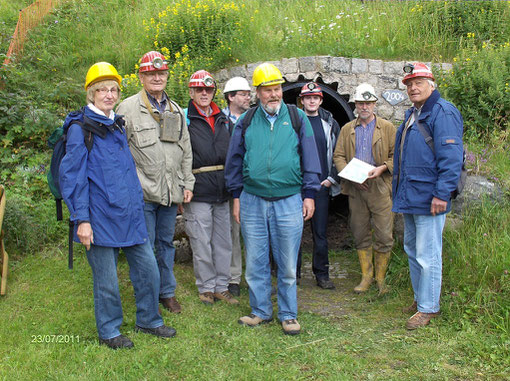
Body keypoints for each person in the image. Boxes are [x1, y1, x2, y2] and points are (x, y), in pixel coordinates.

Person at [59, 62, 176, 349]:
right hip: (97, 217)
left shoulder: (117, 124)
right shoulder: (80, 129)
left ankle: (148, 319)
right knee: (107, 280)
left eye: (113, 89)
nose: (109, 95)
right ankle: (109, 330)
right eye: (102, 90)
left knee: (148, 269)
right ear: (91, 94)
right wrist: (81, 220)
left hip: (130, 214)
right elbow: (72, 178)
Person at [225, 63, 321, 335]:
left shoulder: (297, 117)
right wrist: (236, 196)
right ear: (257, 93)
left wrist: (309, 194)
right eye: (267, 90)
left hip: (289, 199)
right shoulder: (245, 122)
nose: (273, 95)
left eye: (277, 88)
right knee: (255, 260)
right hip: (252, 200)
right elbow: (234, 161)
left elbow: (311, 159)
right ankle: (260, 311)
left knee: (287, 262)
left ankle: (289, 314)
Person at [117, 51, 195, 314]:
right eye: (151, 73)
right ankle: (147, 296)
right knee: (143, 247)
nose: (157, 78)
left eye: (161, 73)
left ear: (167, 76)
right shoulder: (127, 109)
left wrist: (187, 184)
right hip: (142, 193)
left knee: (165, 244)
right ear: (141, 76)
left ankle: (166, 292)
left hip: (170, 194)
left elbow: (186, 149)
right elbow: (118, 153)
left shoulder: (175, 110)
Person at [393, 62, 463, 330]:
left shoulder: (442, 112)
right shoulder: (414, 113)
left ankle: (429, 308)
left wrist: (442, 194)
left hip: (430, 197)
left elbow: (451, 157)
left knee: (428, 253)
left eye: (418, 82)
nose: (412, 87)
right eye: (409, 84)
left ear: (431, 84)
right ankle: (420, 299)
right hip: (412, 195)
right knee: (413, 250)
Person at [333, 83, 396, 295]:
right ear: (356, 105)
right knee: (359, 232)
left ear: (374, 104)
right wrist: (352, 176)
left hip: (379, 187)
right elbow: (339, 156)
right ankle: (366, 277)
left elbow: (397, 156)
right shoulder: (347, 129)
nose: (364, 107)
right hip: (356, 189)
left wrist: (382, 169)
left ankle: (381, 279)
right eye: (361, 103)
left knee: (384, 234)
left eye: (368, 103)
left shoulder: (387, 128)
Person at [183, 70, 238, 305]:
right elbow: (179, 155)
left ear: (214, 92)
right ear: (192, 92)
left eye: (208, 89)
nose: (204, 93)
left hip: (223, 189)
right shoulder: (185, 118)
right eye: (199, 89)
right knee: (201, 240)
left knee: (223, 241)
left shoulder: (223, 119)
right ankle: (205, 286)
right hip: (198, 189)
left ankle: (222, 286)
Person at [297, 82, 341, 290]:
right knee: (294, 233)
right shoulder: (295, 121)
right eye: (308, 97)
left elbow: (339, 152)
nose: (312, 100)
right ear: (302, 100)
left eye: (315, 97)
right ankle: (292, 274)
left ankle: (322, 274)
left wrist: (331, 178)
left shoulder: (329, 122)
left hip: (321, 185)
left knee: (320, 233)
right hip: (297, 186)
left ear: (321, 100)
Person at [222, 76, 252, 297]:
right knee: (232, 233)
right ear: (230, 97)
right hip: (231, 184)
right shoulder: (220, 121)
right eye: (243, 94)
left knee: (253, 233)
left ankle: (254, 277)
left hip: (252, 184)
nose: (248, 97)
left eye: (249, 94)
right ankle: (233, 278)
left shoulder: (254, 118)